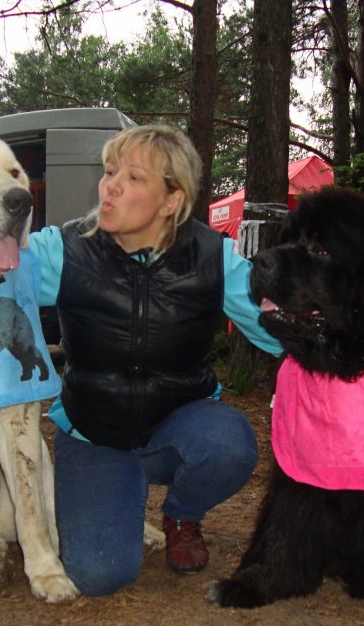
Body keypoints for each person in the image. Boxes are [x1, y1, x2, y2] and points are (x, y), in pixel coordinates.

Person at [28, 124, 283, 596]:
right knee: (98, 574)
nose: (111, 185)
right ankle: (114, 491)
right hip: (93, 431)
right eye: (109, 172)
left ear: (171, 201)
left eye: (134, 178)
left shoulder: (212, 258)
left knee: (229, 442)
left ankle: (182, 514)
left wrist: (350, 345)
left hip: (178, 427)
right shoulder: (63, 250)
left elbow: (278, 331)